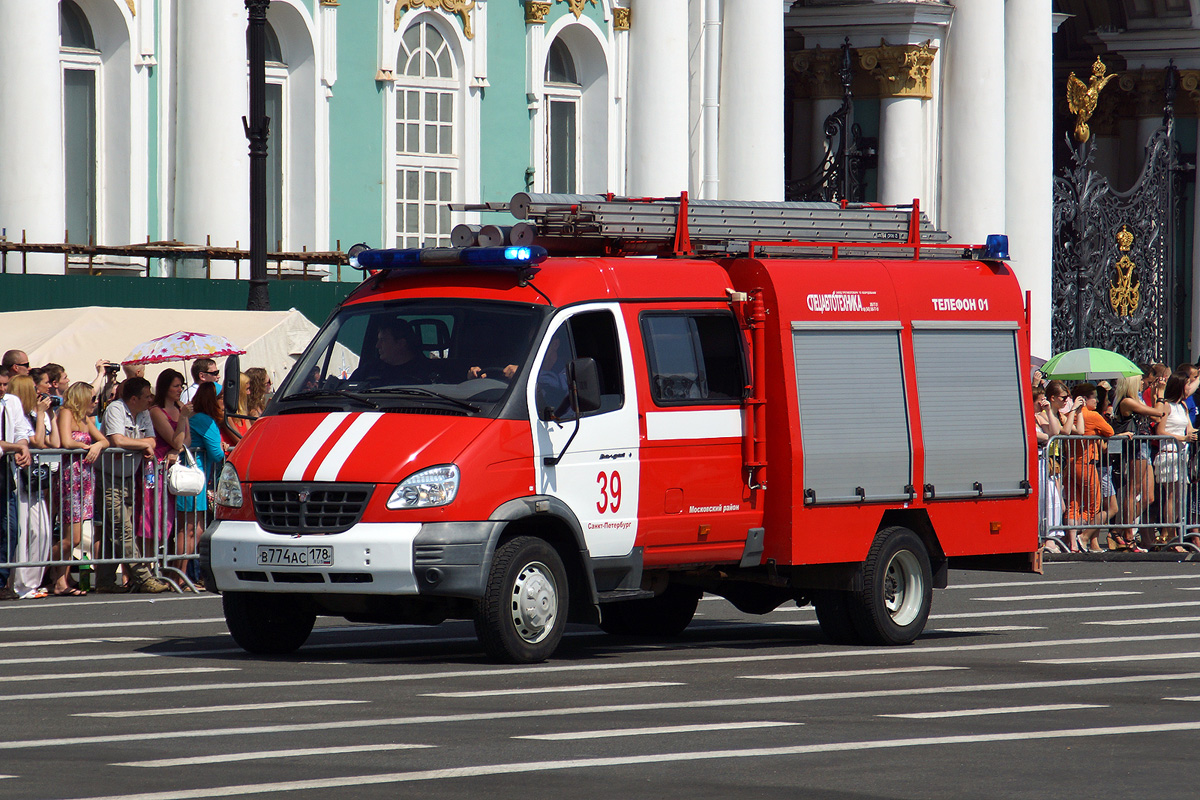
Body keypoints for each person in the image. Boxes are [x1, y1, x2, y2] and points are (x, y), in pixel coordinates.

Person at [95, 377, 171, 594]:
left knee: (114, 529)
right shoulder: (115, 409)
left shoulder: (144, 412)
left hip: (129, 476)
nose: (151, 399)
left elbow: (152, 441)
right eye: (147, 396)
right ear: (134, 398)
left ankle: (105, 581)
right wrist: (142, 445)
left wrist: (141, 445)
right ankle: (144, 577)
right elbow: (118, 440)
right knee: (122, 527)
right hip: (109, 476)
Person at [48, 381, 107, 596]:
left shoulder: (84, 419)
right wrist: (86, 447)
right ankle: (49, 570)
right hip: (70, 478)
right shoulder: (66, 413)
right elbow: (66, 441)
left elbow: (105, 440)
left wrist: (98, 445)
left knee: (77, 536)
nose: (95, 402)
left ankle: (60, 578)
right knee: (71, 537)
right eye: (92, 398)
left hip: (85, 481)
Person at [7, 375, 54, 598]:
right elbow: (38, 441)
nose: (38, 393)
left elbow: (47, 442)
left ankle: (31, 582)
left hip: (33, 479)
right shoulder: (19, 412)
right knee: (23, 531)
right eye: (33, 389)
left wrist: (43, 413)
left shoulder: (32, 415)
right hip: (18, 478)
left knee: (42, 530)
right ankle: (21, 584)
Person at [178, 383, 225, 588]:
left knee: (189, 528)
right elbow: (216, 454)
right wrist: (223, 447)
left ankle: (183, 576)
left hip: (188, 477)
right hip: (193, 478)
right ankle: (184, 577)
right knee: (191, 529)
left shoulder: (194, 417)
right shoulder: (205, 420)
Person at [145, 369, 192, 562]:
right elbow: (174, 440)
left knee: (171, 519)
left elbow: (186, 441)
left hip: (174, 468)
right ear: (165, 388)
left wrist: (178, 451)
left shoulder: (181, 409)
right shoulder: (156, 412)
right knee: (154, 518)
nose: (180, 389)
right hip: (157, 470)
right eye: (176, 386)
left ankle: (166, 565)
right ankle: (150, 563)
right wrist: (182, 419)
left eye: (181, 385)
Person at [1062, 383, 1113, 553]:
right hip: (1086, 463)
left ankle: (1076, 543)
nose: (1097, 401)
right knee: (1094, 507)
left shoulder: (1069, 414)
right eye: (1095, 397)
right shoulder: (1092, 415)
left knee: (1073, 505)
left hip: (1070, 464)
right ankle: (1083, 537)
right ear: (1085, 399)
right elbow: (1110, 431)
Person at [1153, 370, 1198, 549]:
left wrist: (1191, 435)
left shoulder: (1184, 406)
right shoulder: (1167, 406)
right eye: (1187, 384)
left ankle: (1175, 534)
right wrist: (1182, 439)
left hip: (1182, 455)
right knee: (1171, 497)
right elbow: (1160, 431)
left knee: (1180, 498)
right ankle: (1171, 536)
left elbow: (1190, 429)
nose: (1189, 387)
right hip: (1169, 453)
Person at [0, 367, 33, 601]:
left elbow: (22, 430)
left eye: (5, 385)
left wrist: (22, 445)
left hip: (5, 474)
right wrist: (17, 447)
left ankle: (2, 581)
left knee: (11, 529)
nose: (3, 390)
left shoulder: (11, 401)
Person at [353, 320, 432, 385]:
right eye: (378, 340)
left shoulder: (428, 373)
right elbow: (347, 392)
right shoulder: (368, 371)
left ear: (401, 343)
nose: (377, 346)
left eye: (383, 340)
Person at [221, 373, 252, 448]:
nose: (249, 393)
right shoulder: (225, 413)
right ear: (238, 391)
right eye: (246, 389)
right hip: (229, 457)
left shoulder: (243, 414)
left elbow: (251, 437)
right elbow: (239, 440)